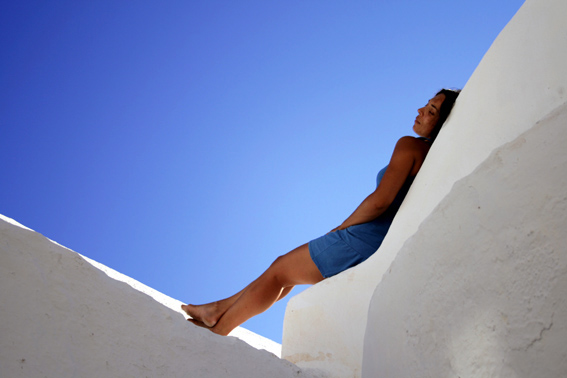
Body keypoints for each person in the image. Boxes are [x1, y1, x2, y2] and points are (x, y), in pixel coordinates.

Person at [182, 88, 460, 336]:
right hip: (380, 245)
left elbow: (380, 201)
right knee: (287, 276)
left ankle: (218, 331)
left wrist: (342, 227)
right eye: (426, 105)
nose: (421, 110)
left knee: (279, 271)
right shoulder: (434, 158)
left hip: (363, 238)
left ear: (440, 123)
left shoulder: (410, 145)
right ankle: (216, 309)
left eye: (432, 111)